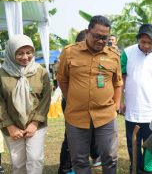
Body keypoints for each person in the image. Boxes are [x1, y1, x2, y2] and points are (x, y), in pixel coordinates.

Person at [57, 15, 122, 174]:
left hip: (106, 115)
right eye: (97, 36)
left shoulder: (113, 56)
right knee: (79, 160)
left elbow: (117, 82)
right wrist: (72, 99)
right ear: (87, 32)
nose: (100, 41)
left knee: (110, 158)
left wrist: (116, 105)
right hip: (77, 115)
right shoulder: (69, 52)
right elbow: (62, 79)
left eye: (105, 38)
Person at [120, 23, 152, 173]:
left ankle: (149, 171)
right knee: (133, 147)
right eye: (143, 42)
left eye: (150, 42)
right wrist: (121, 102)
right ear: (138, 40)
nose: (146, 45)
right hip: (132, 112)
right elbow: (121, 79)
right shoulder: (127, 53)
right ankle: (134, 170)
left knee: (150, 148)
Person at [0, 34, 51, 174]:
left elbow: (46, 99)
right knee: (18, 163)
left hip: (36, 125)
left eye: (29, 52)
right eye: (20, 53)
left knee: (35, 159)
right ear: (11, 53)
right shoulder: (2, 73)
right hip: (11, 125)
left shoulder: (40, 72)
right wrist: (9, 125)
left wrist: (34, 123)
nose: (25, 57)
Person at [57, 30, 101, 174]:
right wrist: (70, 100)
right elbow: (62, 80)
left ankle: (86, 161)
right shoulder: (69, 56)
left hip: (93, 104)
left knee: (91, 133)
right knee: (71, 136)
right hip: (72, 103)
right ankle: (66, 168)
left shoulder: (97, 56)